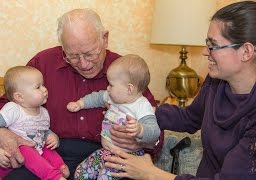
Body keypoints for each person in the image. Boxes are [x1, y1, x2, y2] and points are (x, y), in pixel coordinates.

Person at [0, 8, 164, 180]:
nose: (83, 64)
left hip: (107, 156)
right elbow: (5, 103)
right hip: (49, 154)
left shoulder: (125, 72)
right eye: (72, 56)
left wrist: (142, 139)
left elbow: (155, 128)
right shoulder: (43, 63)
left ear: (105, 39)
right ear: (63, 48)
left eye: (90, 54)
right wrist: (2, 131)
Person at [104, 1, 256, 180]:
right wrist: (142, 114)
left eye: (213, 45)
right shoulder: (216, 83)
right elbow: (190, 118)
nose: (205, 53)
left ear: (246, 51)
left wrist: (150, 173)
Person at [67, 54, 161, 179]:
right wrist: (80, 103)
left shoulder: (142, 106)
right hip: (105, 152)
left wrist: (140, 130)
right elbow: (97, 97)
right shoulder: (114, 96)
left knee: (104, 177)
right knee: (81, 172)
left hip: (126, 157)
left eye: (111, 84)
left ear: (129, 89)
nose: (107, 88)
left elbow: (154, 131)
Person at [0, 66, 69, 180]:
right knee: (28, 151)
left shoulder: (43, 111)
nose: (45, 89)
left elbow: (41, 130)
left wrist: (50, 135)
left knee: (48, 148)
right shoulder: (13, 109)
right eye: (38, 87)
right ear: (20, 97)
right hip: (11, 157)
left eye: (43, 85)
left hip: (35, 148)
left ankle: (59, 166)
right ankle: (53, 177)